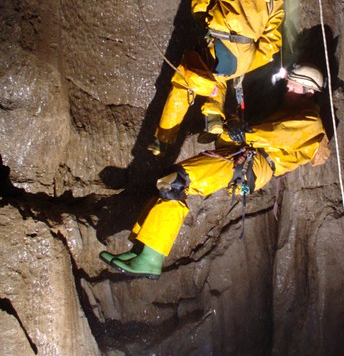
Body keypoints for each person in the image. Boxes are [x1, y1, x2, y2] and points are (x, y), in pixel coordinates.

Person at [100, 64, 330, 278]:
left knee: (177, 182)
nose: (287, 88)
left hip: (253, 163)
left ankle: (150, 259)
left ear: (309, 91)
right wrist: (234, 127)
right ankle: (140, 249)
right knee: (170, 181)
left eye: (293, 86)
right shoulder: (294, 113)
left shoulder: (310, 122)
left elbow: (276, 134)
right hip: (248, 157)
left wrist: (243, 133)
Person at [147, 0, 285, 156]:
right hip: (242, 58)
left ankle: (162, 137)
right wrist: (246, 64)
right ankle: (213, 116)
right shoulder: (275, 3)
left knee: (185, 81)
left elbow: (198, 5)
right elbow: (271, 46)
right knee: (219, 76)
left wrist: (207, 21)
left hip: (220, 44)